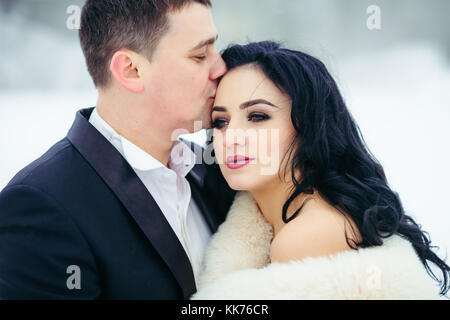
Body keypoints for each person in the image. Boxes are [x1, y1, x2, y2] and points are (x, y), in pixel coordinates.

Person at [0, 0, 236, 299]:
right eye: (200, 54)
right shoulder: (40, 206)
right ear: (131, 70)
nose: (221, 67)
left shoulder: (215, 169)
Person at [191, 41, 449, 299]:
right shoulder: (265, 215)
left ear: (307, 127)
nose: (231, 137)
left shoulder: (303, 240)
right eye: (221, 122)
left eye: (258, 116)